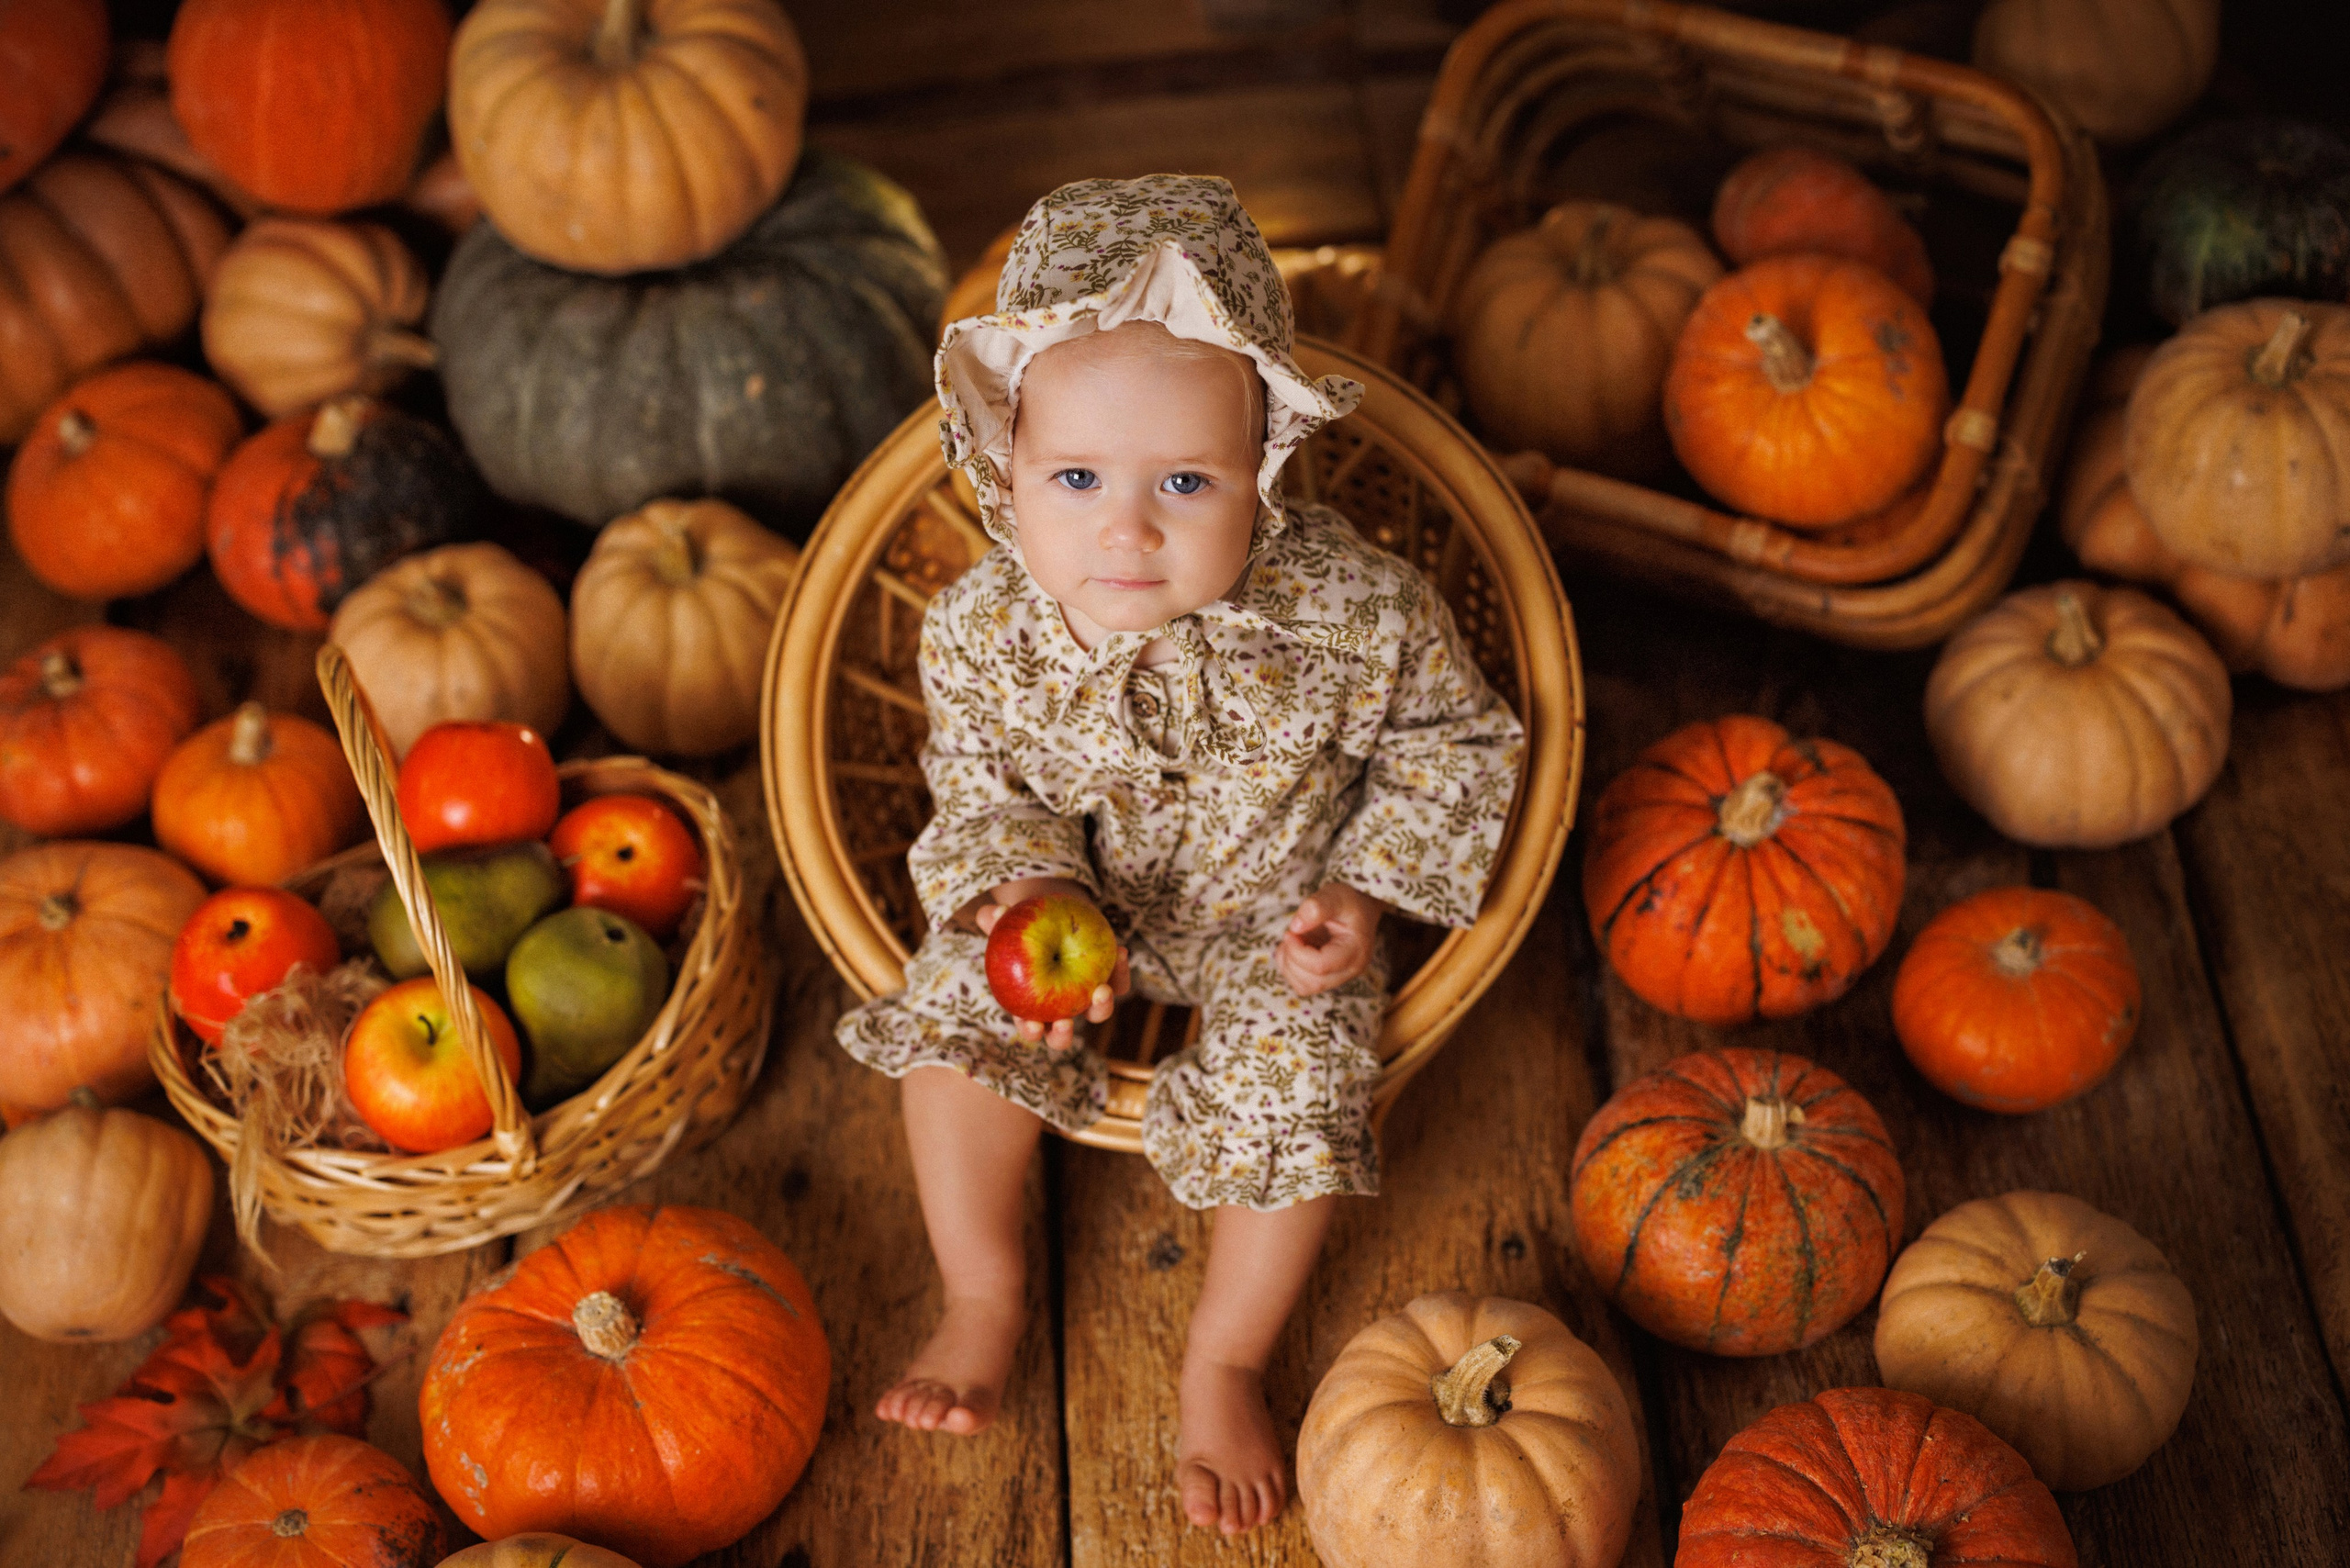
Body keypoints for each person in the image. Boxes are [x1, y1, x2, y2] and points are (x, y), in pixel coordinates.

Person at [835, 174, 1524, 1535]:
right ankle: (980, 1293)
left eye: (1186, 481)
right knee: (951, 1005)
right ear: (1008, 466)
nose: (1127, 528)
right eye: (1078, 477)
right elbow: (972, 779)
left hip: (1280, 909)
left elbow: (1458, 739)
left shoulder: (1353, 608)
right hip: (1076, 908)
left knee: (1312, 1057)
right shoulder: (983, 630)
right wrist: (1024, 885)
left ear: (1263, 465)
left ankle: (1225, 1357)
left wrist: (1364, 892)